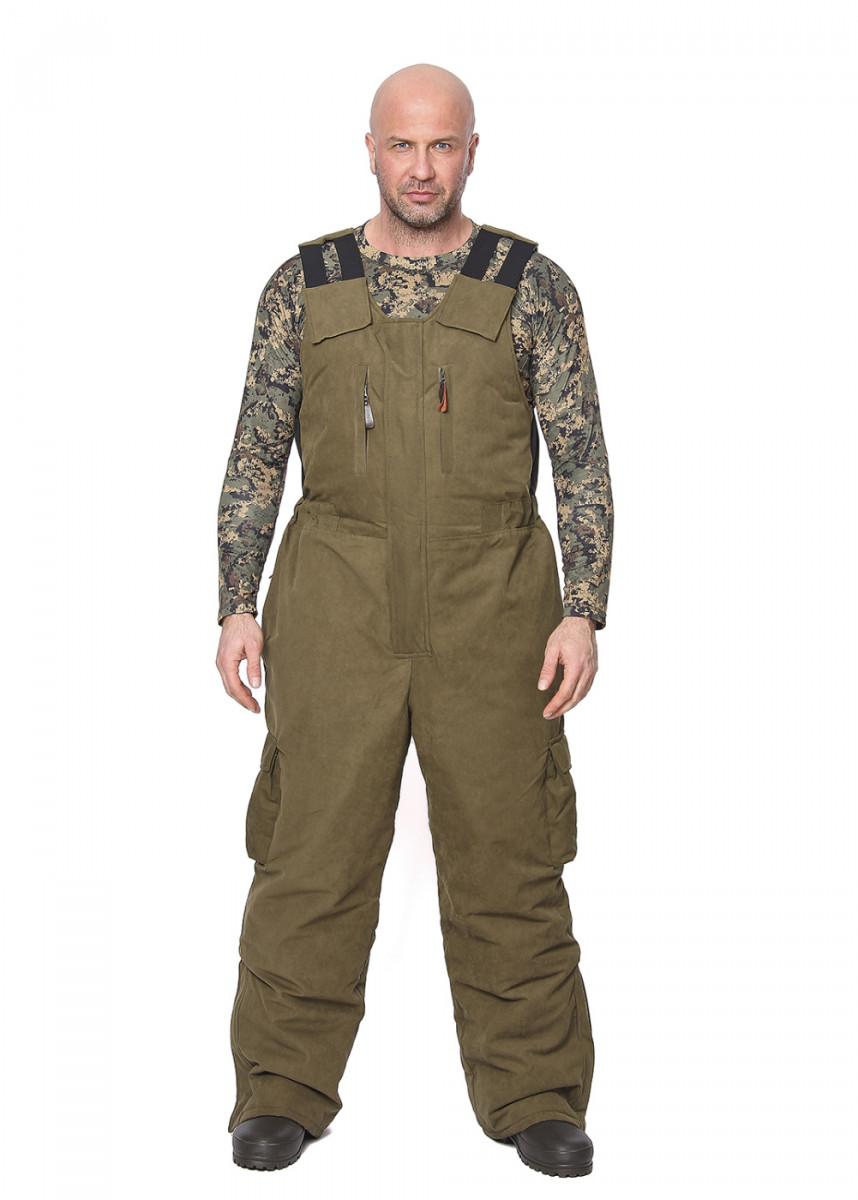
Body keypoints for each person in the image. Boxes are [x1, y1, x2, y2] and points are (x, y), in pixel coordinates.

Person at [215, 62, 613, 1178]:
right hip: (334, 599)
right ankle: (278, 1090)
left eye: (443, 146)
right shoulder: (303, 287)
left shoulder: (533, 287)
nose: (423, 168)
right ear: (372, 150)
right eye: (403, 145)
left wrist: (583, 611)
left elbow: (581, 463)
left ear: (472, 150)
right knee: (309, 853)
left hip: (495, 603)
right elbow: (256, 453)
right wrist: (236, 602)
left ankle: (538, 1094)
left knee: (509, 854)